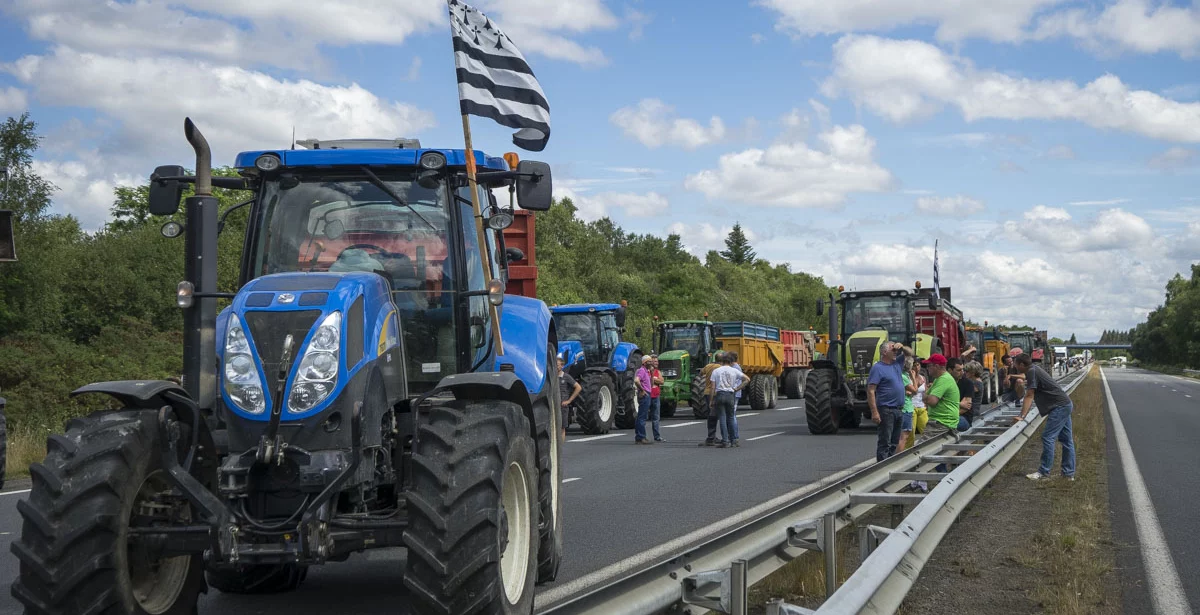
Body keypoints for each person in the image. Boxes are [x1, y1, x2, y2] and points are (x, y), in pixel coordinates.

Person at [1012, 353, 1075, 481]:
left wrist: (1022, 416)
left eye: (1016, 365)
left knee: (1048, 437)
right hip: (1064, 404)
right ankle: (1068, 474)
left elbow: (1029, 395)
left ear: (1022, 364)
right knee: (1066, 440)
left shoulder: (1032, 372)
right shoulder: (1034, 369)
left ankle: (1043, 472)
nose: (1015, 367)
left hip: (1059, 407)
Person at [867, 340, 912, 461]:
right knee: (885, 442)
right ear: (884, 352)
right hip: (886, 409)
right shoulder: (878, 368)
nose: (895, 352)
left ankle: (890, 464)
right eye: (893, 349)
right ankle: (882, 467)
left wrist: (901, 346)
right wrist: (874, 412)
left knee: (894, 442)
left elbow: (910, 353)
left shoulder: (897, 363)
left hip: (898, 409)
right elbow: (871, 390)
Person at [707, 352, 750, 448]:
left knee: (722, 418)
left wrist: (711, 400)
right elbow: (747, 379)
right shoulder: (734, 370)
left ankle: (725, 441)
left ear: (722, 361)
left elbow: (713, 387)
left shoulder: (716, 371)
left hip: (720, 394)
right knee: (731, 417)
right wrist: (737, 388)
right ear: (731, 362)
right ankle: (734, 440)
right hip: (730, 394)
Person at [920, 353, 961, 443]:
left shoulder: (943, 379)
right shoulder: (938, 379)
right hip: (945, 421)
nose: (927, 368)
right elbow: (926, 397)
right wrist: (926, 397)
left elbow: (931, 400)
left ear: (936, 366)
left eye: (929, 366)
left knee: (919, 450)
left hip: (941, 422)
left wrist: (925, 396)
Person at [698, 352, 725, 446]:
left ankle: (712, 437)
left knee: (711, 415)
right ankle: (714, 438)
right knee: (716, 415)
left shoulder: (708, 366)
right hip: (717, 392)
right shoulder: (721, 368)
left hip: (707, 392)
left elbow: (701, 373)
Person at [896, 357, 919, 454]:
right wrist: (913, 377)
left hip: (904, 406)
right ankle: (898, 458)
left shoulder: (900, 375)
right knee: (904, 435)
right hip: (906, 408)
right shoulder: (904, 377)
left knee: (901, 435)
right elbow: (915, 390)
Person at [557, 355, 581, 440]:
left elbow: (578, 387)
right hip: (555, 405)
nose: (556, 367)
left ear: (562, 366)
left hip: (563, 405)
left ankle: (560, 447)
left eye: (557, 365)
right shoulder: (552, 378)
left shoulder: (566, 377)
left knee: (562, 428)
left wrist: (569, 401)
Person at [948, 358, 974, 431]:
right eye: (959, 370)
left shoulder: (968, 383)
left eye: (963, 369)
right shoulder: (945, 382)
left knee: (947, 424)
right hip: (947, 416)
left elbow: (966, 407)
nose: (962, 372)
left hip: (963, 417)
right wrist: (959, 403)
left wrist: (949, 416)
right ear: (950, 370)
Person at [634, 355, 654, 444]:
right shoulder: (642, 370)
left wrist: (652, 373)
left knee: (641, 416)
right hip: (645, 394)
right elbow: (636, 380)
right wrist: (642, 390)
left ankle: (639, 436)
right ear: (645, 363)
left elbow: (651, 383)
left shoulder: (647, 371)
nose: (651, 363)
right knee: (642, 417)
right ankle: (641, 437)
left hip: (647, 393)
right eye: (649, 361)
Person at [648, 355, 665, 443]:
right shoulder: (647, 371)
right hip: (647, 396)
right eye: (654, 361)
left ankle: (657, 436)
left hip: (656, 396)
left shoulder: (658, 372)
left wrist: (653, 379)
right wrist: (655, 379)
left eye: (657, 362)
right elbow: (645, 380)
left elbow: (662, 381)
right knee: (644, 417)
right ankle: (642, 436)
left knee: (656, 417)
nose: (656, 363)